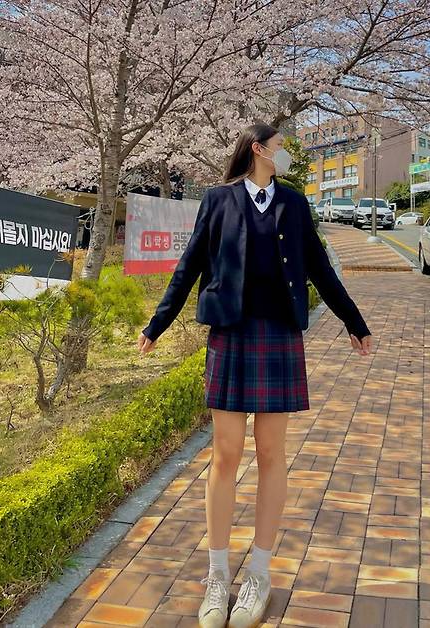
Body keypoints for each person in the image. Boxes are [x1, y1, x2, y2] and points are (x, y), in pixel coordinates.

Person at [137, 123, 372, 628]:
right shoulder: (218, 200)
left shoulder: (294, 203)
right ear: (259, 149)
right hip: (231, 333)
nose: (287, 153)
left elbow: (319, 267)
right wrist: (157, 324)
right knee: (225, 454)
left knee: (271, 454)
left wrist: (354, 321)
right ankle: (217, 575)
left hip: (279, 335)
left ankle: (259, 575)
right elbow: (189, 265)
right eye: (281, 146)